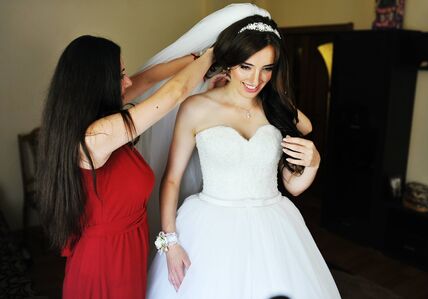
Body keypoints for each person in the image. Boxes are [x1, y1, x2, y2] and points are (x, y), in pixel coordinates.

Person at [146, 13, 341, 299]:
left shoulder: (276, 109)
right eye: (245, 66)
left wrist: (314, 162)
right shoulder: (196, 108)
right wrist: (170, 243)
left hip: (273, 224)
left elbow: (294, 185)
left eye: (266, 69)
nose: (255, 79)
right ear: (228, 63)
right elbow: (172, 179)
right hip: (212, 225)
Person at [37, 35, 212, 299]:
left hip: (125, 252)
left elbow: (150, 78)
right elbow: (173, 93)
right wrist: (216, 53)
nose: (128, 81)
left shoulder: (92, 116)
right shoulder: (96, 136)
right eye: (120, 75)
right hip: (105, 265)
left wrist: (195, 60)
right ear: (97, 83)